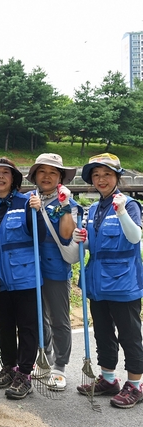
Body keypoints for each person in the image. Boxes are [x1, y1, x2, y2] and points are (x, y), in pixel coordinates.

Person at [75, 153, 143, 409]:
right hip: (97, 282)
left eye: (106, 174)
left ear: (117, 177)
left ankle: (136, 384)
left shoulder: (130, 205)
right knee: (103, 333)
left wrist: (123, 212)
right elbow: (98, 245)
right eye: (96, 175)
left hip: (123, 283)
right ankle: (108, 379)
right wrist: (84, 238)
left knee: (129, 335)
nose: (101, 179)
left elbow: (135, 238)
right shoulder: (93, 208)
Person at [0, 157, 44, 400]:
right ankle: (9, 366)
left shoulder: (27, 202)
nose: (0, 176)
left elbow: (39, 235)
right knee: (4, 325)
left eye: (5, 173)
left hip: (26, 276)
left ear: (13, 178)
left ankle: (25, 373)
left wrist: (38, 212)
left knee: (27, 326)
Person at [25, 153, 80, 391]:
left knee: (59, 318)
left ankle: (60, 366)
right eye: (42, 171)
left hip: (56, 267)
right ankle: (44, 358)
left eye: (53, 172)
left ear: (60, 178)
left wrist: (65, 205)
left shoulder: (67, 202)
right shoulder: (28, 199)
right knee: (39, 317)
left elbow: (67, 234)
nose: (46, 176)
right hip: (31, 266)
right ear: (35, 175)